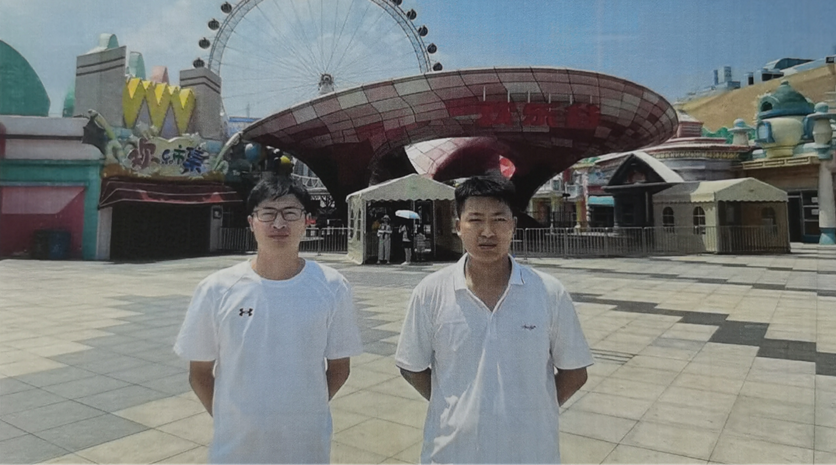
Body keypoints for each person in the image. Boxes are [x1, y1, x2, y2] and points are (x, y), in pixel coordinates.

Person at [395, 174, 593, 465]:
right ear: (458, 226)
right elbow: (412, 367)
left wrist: (532, 410)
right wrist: (456, 407)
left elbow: (574, 372)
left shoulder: (549, 292)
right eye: (475, 220)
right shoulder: (430, 292)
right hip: (452, 453)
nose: (487, 232)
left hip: (530, 453)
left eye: (499, 220)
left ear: (513, 225)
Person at [174, 175, 363, 464]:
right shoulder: (216, 289)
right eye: (268, 213)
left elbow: (340, 367)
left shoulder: (332, 286)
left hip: (306, 448)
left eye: (290, 213)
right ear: (251, 222)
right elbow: (199, 373)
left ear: (307, 221)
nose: (279, 223)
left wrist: (303, 411)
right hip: (235, 451)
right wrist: (230, 419)